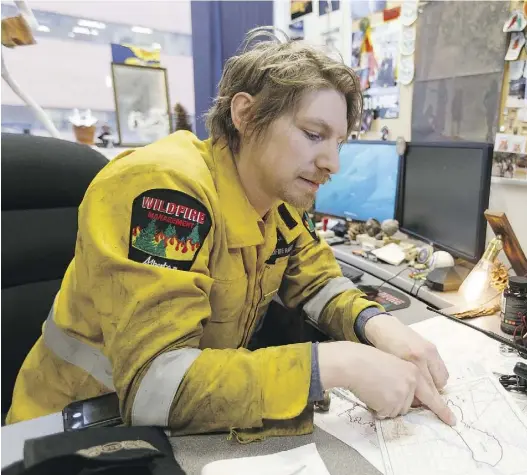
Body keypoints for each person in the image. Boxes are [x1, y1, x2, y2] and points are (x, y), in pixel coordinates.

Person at [6, 28, 456, 437]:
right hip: (73, 427)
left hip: (177, 422)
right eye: (313, 134)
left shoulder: (278, 198)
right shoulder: (166, 195)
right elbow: (152, 389)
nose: (332, 164)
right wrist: (338, 363)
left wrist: (379, 327)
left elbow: (318, 281)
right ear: (246, 113)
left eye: (337, 142)